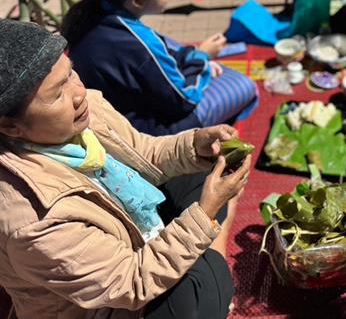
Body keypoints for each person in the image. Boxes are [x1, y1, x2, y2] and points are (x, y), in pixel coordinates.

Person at [0, 18, 252, 318]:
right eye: (57, 94)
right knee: (203, 288)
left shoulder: (83, 112)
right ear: (10, 127)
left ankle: (205, 259)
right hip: (102, 306)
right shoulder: (32, 222)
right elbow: (131, 282)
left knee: (203, 171)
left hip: (126, 229)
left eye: (70, 74)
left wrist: (195, 144)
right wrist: (205, 213)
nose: (79, 93)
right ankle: (211, 264)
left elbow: (144, 153)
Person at [61, 0, 257, 136]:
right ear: (137, 0)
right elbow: (183, 99)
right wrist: (202, 59)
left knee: (173, 48)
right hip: (142, 134)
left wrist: (194, 58)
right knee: (244, 85)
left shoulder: (91, 15)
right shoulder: (138, 43)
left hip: (110, 116)